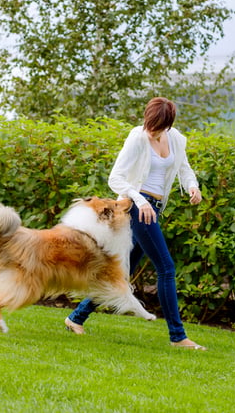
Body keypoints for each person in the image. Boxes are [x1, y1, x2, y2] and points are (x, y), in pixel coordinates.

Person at [64, 97, 206, 350]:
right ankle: (178, 337)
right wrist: (140, 201)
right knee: (166, 267)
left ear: (168, 124)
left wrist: (192, 187)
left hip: (154, 209)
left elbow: (184, 168)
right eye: (149, 124)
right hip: (137, 208)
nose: (151, 130)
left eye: (157, 126)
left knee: (123, 272)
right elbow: (115, 178)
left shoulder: (175, 139)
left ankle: (76, 317)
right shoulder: (137, 137)